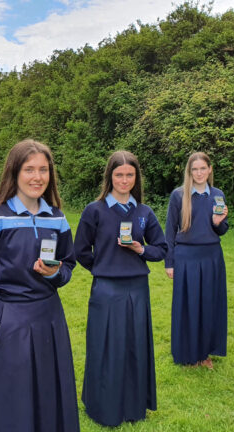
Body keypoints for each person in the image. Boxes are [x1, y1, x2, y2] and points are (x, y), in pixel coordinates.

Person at [0, 139, 80, 432]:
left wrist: (53, 275)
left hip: (51, 316)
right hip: (13, 318)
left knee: (52, 389)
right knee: (15, 395)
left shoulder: (57, 217)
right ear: (15, 172)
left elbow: (68, 264)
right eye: (29, 169)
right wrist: (8, 299)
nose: (37, 177)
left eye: (43, 169)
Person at [73, 150, 167, 426]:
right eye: (119, 175)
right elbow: (81, 251)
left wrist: (141, 249)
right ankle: (103, 407)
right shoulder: (95, 210)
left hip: (137, 289)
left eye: (129, 175)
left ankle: (134, 406)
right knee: (105, 348)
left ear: (136, 178)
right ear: (109, 176)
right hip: (106, 289)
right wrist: (103, 268)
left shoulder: (144, 212)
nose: (124, 180)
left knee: (134, 347)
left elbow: (161, 249)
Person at [164, 151, 229, 369]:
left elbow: (222, 230)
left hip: (211, 258)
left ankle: (205, 354)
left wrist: (218, 222)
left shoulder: (217, 194)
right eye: (195, 169)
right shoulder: (178, 195)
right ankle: (188, 354)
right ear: (189, 172)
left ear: (210, 169)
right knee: (188, 306)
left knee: (209, 306)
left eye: (203, 168)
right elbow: (170, 232)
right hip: (186, 258)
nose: (199, 173)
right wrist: (169, 262)